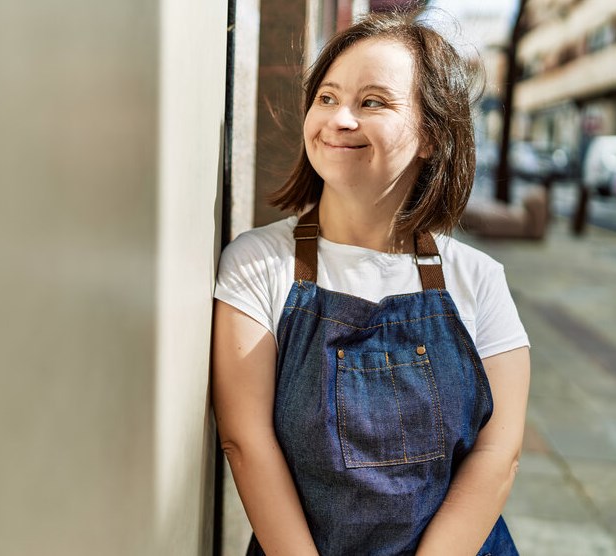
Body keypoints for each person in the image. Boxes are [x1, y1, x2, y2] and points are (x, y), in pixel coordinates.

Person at [212, 10, 530, 556]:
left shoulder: (479, 278)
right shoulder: (257, 263)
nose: (338, 119)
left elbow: (498, 454)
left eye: (373, 102)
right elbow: (247, 443)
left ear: (432, 134)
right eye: (328, 98)